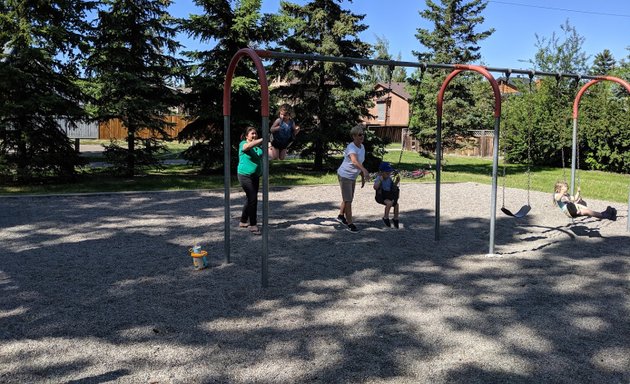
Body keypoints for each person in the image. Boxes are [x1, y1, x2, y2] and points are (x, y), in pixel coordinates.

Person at [336, 124, 369, 232]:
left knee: (348, 198)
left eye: (363, 134)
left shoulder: (362, 147)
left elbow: (360, 162)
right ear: (354, 136)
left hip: (352, 176)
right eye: (359, 135)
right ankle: (350, 224)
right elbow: (354, 161)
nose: (362, 136)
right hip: (345, 175)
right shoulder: (351, 147)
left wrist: (362, 175)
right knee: (348, 200)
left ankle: (341, 216)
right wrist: (364, 170)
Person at [238, 126, 264, 234]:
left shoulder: (258, 148)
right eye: (252, 133)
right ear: (246, 136)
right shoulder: (242, 144)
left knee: (250, 199)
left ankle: (243, 221)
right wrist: (263, 139)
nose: (254, 135)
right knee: (253, 199)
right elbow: (247, 147)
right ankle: (253, 225)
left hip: (255, 176)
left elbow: (272, 148)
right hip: (244, 176)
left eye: (255, 133)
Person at [374, 161, 401, 228]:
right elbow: (375, 187)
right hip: (381, 197)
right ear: (381, 172)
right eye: (386, 173)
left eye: (389, 173)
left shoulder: (389, 179)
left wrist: (397, 181)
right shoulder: (379, 178)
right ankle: (385, 217)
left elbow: (393, 187)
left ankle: (395, 218)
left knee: (396, 205)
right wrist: (380, 181)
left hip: (388, 195)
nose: (388, 174)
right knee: (389, 203)